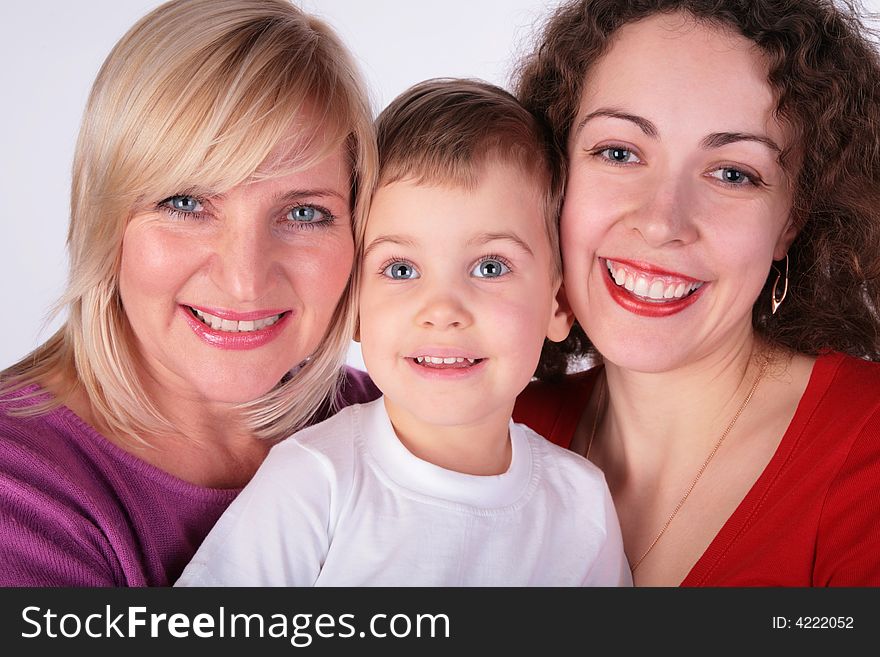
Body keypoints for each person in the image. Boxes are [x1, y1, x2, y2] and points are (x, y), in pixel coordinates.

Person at [176, 79, 631, 587]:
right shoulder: (316, 479)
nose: (441, 310)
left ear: (560, 303)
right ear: (353, 305)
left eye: (489, 267)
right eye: (400, 270)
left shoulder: (582, 505)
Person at [0, 0, 381, 587]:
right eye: (186, 204)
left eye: (304, 212)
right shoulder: (18, 487)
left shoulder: (397, 419)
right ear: (105, 218)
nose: (244, 279)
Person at [512, 0, 880, 586]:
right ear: (554, 176)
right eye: (619, 152)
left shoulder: (867, 450)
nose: (662, 222)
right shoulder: (496, 429)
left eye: (733, 173)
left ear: (793, 219)